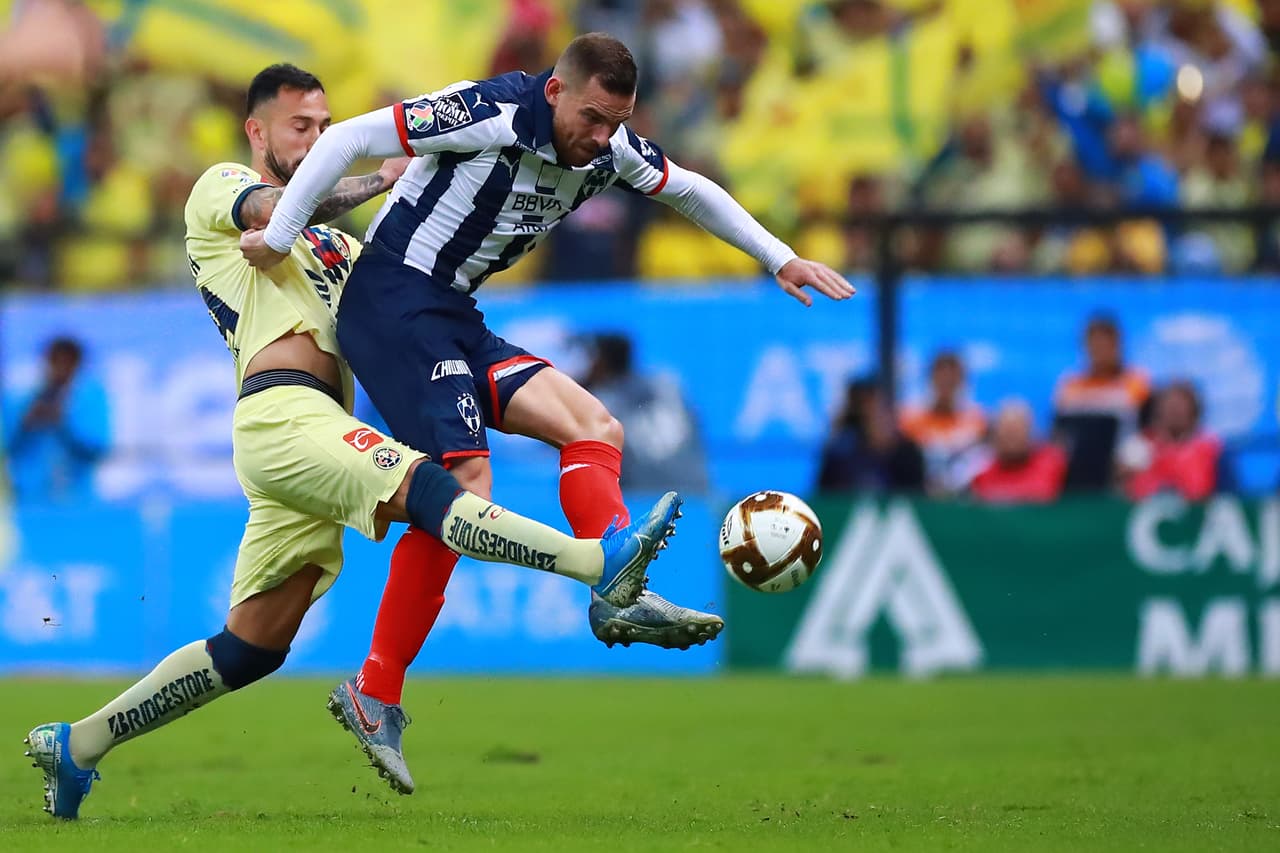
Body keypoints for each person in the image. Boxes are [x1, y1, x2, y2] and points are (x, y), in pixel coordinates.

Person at [24, 63, 680, 820]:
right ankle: (601, 562)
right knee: (441, 489)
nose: (318, 138)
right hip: (282, 415)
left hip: (316, 430)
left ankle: (76, 744)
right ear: (257, 130)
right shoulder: (222, 186)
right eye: (303, 126)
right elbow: (274, 209)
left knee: (252, 646)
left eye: (326, 124)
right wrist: (369, 177)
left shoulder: (340, 248)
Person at [241, 33, 853, 790]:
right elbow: (352, 137)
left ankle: (612, 585)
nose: (602, 140)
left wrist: (778, 256)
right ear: (557, 92)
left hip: (455, 315)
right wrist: (277, 235)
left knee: (596, 425)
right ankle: (377, 691)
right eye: (593, 118)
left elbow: (690, 188)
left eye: (616, 123)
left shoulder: (608, 147)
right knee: (464, 487)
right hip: (394, 300)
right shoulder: (490, 109)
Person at [3, 337, 109, 504]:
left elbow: (97, 448)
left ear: (77, 365)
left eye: (67, 362)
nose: (60, 369)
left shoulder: (91, 399)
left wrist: (63, 424)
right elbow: (7, 447)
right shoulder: (26, 398)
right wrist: (25, 425)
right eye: (55, 361)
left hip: (77, 496)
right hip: (30, 498)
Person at [1052, 314, 1150, 490]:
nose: (1099, 350)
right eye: (1094, 344)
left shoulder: (1136, 384)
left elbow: (1147, 432)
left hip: (1121, 473)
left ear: (1117, 345)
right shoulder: (1070, 387)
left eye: (1105, 344)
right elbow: (1060, 436)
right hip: (1078, 474)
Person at [815, 377, 925, 494]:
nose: (880, 419)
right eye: (872, 413)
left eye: (884, 412)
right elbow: (825, 497)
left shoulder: (908, 454)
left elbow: (919, 497)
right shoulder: (841, 454)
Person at [898, 351, 986, 495]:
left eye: (952, 380)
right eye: (941, 378)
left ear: (962, 381)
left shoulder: (977, 422)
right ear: (931, 379)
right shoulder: (909, 422)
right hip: (920, 495)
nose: (946, 385)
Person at [1120, 381, 1221, 501]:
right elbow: (1123, 488)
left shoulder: (1209, 445)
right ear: (1159, 410)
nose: (1175, 412)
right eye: (1170, 406)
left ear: (1194, 412)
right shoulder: (1140, 445)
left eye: (1181, 407)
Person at [969, 400, 1068, 504]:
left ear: (1030, 433)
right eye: (1008, 432)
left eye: (1018, 431)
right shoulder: (980, 473)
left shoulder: (1055, 466)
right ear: (995, 436)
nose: (1013, 439)